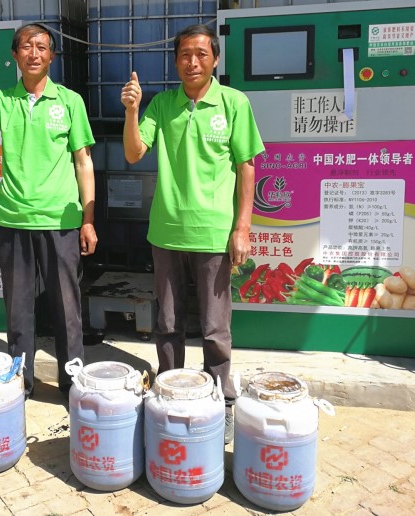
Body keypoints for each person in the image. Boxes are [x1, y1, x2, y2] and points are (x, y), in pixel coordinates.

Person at [120, 24, 264, 443]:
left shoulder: (234, 103)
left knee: (215, 328)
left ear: (215, 59)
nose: (193, 62)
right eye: (185, 54)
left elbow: (247, 167)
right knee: (167, 322)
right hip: (166, 231)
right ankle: (169, 393)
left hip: (214, 233)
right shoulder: (163, 104)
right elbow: (134, 152)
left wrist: (242, 227)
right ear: (176, 60)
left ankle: (222, 399)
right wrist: (132, 111)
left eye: (201, 54)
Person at [0, 23, 97, 399]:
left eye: (41, 47)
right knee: (18, 311)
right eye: (26, 46)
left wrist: (88, 221)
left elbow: (83, 162)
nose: (34, 53)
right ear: (15, 55)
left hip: (60, 220)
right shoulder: (3, 99)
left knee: (67, 310)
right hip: (14, 219)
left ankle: (72, 385)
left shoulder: (69, 101)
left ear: (52, 55)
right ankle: (20, 383)